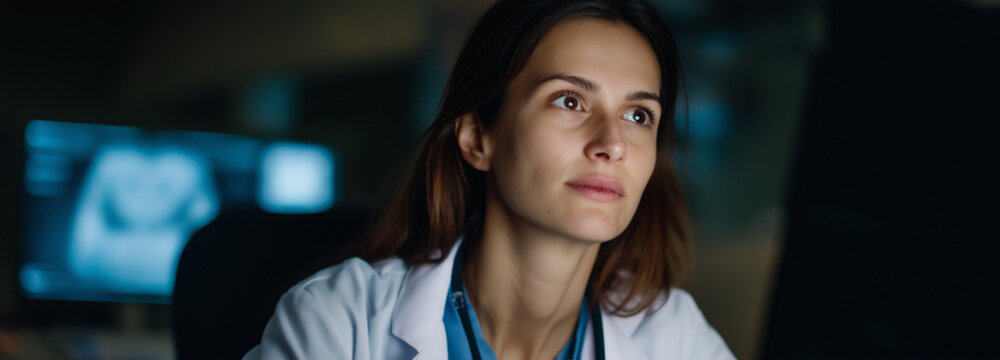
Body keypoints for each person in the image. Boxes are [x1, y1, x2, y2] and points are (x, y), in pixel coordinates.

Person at [243, 0, 734, 359]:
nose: (613, 143)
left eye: (639, 115)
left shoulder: (672, 335)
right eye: (569, 101)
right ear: (478, 137)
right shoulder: (338, 323)